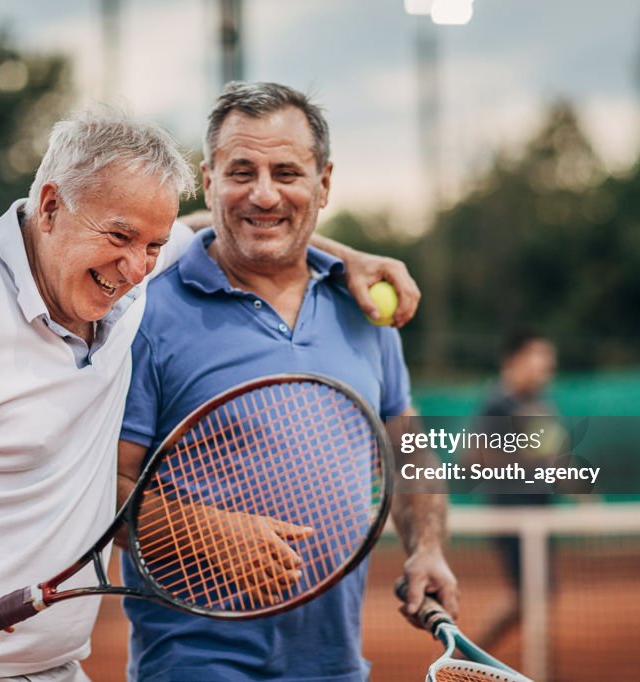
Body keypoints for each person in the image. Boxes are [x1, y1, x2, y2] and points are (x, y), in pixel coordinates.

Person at [0, 104, 421, 681]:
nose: (137, 265)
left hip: (50, 664)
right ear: (51, 205)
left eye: (151, 245)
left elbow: (225, 226)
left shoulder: (123, 274)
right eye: (119, 238)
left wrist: (349, 258)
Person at [117, 81, 458, 682]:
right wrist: (206, 533)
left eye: (287, 172)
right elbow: (102, 489)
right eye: (241, 171)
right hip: (196, 663)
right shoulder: (146, 314)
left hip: (333, 663)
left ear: (324, 183)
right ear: (209, 180)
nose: (264, 193)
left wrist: (426, 547)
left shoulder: (367, 310)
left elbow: (408, 445)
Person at [466, 329, 560, 650]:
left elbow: (553, 454)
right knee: (529, 594)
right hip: (512, 513)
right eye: (538, 359)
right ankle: (471, 658)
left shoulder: (539, 403)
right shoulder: (497, 404)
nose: (545, 368)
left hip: (540, 512)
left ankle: (540, 665)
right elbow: (475, 458)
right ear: (515, 360)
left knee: (540, 594)